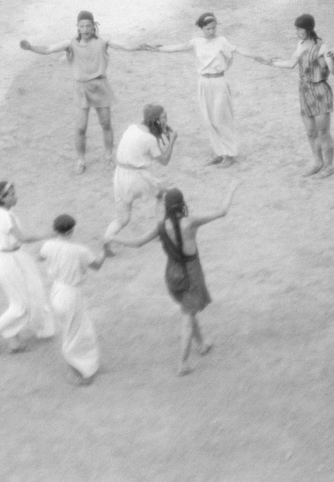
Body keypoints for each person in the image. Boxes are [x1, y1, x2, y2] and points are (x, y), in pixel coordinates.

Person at [106, 182, 240, 376]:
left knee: (188, 309)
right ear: (183, 203)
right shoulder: (190, 222)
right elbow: (222, 211)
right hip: (191, 272)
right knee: (187, 316)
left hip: (172, 273)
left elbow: (137, 243)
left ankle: (201, 344)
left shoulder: (161, 226)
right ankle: (183, 364)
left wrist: (113, 238)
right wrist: (230, 189)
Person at [20, 10, 150, 175]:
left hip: (100, 86)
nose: (86, 29)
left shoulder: (103, 42)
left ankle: (108, 155)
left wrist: (138, 46)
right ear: (78, 27)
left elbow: (124, 46)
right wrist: (30, 47)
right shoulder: (70, 44)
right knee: (80, 128)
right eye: (82, 26)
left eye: (88, 25)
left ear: (94, 26)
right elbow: (48, 49)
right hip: (81, 89)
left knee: (106, 124)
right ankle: (81, 159)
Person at [145, 12, 270, 168]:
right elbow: (178, 47)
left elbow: (239, 50)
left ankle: (230, 154)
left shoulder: (222, 41)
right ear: (202, 28)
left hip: (219, 82)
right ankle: (219, 153)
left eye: (214, 28)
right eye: (208, 29)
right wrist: (159, 48)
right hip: (203, 83)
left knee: (221, 119)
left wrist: (258, 56)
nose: (212, 31)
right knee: (209, 120)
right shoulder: (196, 42)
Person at [0, 181, 56, 353]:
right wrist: (49, 234)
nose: (16, 196)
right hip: (7, 262)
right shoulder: (5, 217)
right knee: (20, 306)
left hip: (16, 257)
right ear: (3, 198)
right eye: (12, 194)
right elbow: (23, 238)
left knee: (30, 294)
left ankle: (14, 340)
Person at [267, 14, 334, 178]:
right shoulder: (300, 44)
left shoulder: (322, 47)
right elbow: (292, 63)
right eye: (296, 29)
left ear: (308, 29)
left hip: (320, 91)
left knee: (323, 132)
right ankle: (318, 162)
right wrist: (272, 63)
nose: (297, 32)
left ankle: (329, 166)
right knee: (310, 132)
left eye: (299, 29)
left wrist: (332, 60)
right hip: (305, 91)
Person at [102, 104, 178, 256]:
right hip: (136, 176)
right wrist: (172, 140)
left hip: (120, 175)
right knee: (162, 194)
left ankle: (106, 241)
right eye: (163, 117)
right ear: (156, 120)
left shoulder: (132, 128)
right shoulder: (149, 139)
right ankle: (161, 230)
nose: (166, 119)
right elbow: (164, 161)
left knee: (123, 218)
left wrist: (161, 126)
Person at [39, 214, 106, 386]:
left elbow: (41, 256)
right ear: (72, 229)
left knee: (73, 330)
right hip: (71, 295)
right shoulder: (80, 250)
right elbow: (97, 265)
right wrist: (104, 251)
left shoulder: (49, 245)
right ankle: (77, 371)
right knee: (77, 333)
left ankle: (80, 367)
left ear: (55, 230)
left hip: (56, 291)